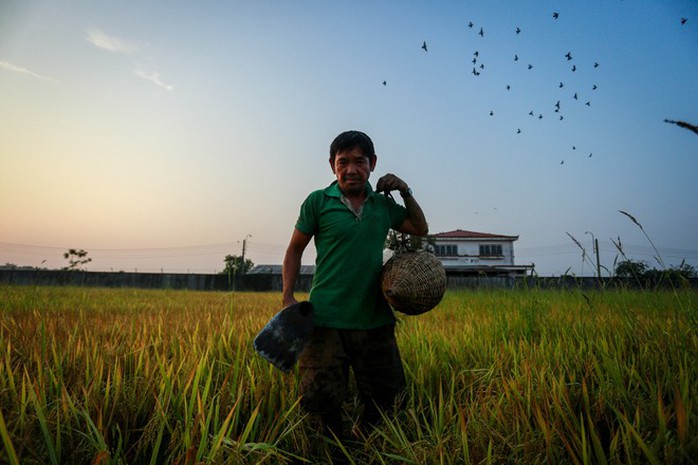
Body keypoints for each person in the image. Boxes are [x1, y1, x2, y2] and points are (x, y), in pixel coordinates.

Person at [282, 130, 428, 439]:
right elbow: (295, 249)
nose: (351, 169)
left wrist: (405, 191)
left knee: (387, 396)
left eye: (359, 161)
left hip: (374, 321)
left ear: (372, 164)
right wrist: (287, 296)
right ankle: (337, 448)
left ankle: (363, 439)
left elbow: (419, 228)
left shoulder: (382, 205)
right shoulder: (317, 202)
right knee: (320, 398)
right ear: (332, 166)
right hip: (324, 320)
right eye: (343, 162)